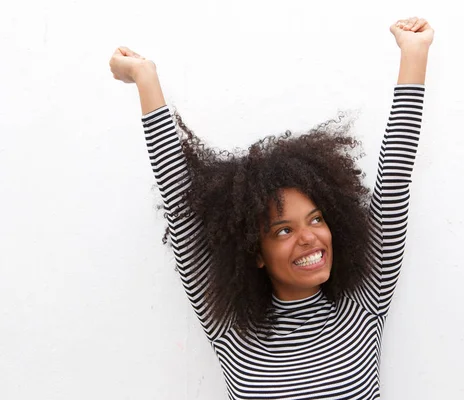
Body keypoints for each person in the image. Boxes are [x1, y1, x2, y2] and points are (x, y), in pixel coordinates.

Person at [110, 16, 433, 400]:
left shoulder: (363, 305)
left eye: (315, 219)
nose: (309, 237)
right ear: (256, 254)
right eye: (283, 230)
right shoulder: (230, 327)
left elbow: (394, 182)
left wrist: (415, 55)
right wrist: (145, 79)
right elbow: (180, 202)